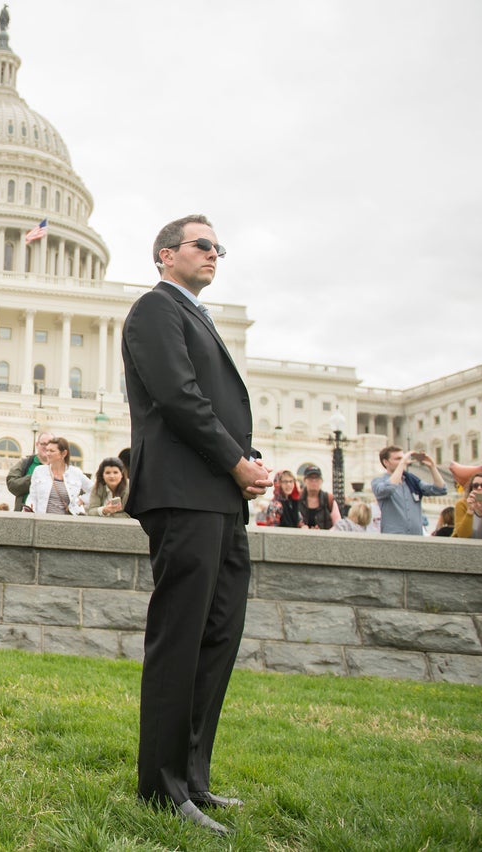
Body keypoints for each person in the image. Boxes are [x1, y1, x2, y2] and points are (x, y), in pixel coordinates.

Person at [122, 214, 270, 837]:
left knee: (218, 636)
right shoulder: (156, 311)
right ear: (165, 255)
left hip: (218, 496)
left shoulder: (198, 317)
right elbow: (180, 398)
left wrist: (244, 465)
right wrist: (237, 461)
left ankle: (192, 778)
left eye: (219, 247)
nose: (215, 254)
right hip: (186, 493)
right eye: (203, 244)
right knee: (181, 640)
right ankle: (161, 787)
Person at [371, 446, 448, 535]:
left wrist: (432, 467)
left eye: (403, 458)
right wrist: (402, 464)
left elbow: (441, 490)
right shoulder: (378, 481)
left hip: (416, 536)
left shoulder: (412, 481)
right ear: (386, 462)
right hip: (393, 536)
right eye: (398, 459)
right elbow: (388, 489)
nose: (403, 461)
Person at [28, 437, 91, 514]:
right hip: (43, 521)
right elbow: (32, 497)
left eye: (52, 451)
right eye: (47, 450)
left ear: (64, 453)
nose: (47, 453)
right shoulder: (39, 471)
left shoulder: (76, 472)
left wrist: (81, 500)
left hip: (68, 522)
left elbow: (94, 490)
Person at [6, 431, 54, 511]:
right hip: (25, 516)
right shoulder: (25, 463)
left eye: (50, 444)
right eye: (43, 444)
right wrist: (33, 478)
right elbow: (11, 484)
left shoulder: (60, 467)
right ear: (37, 444)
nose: (46, 447)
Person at [296, 463, 341, 530]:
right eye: (311, 479)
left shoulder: (329, 499)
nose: (314, 481)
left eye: (317, 479)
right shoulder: (296, 499)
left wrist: (324, 533)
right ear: (305, 481)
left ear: (321, 481)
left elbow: (338, 524)